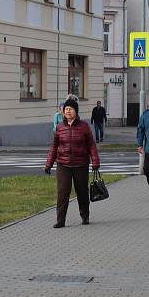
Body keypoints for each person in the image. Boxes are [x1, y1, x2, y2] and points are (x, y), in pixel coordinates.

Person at [44, 97, 100, 228]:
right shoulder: (60, 127)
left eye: (71, 109)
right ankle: (60, 220)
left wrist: (95, 161)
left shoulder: (84, 127)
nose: (68, 111)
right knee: (63, 192)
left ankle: (85, 215)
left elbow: (91, 145)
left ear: (76, 111)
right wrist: (49, 163)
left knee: (82, 191)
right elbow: (54, 146)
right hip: (63, 164)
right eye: (66, 109)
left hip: (80, 164)